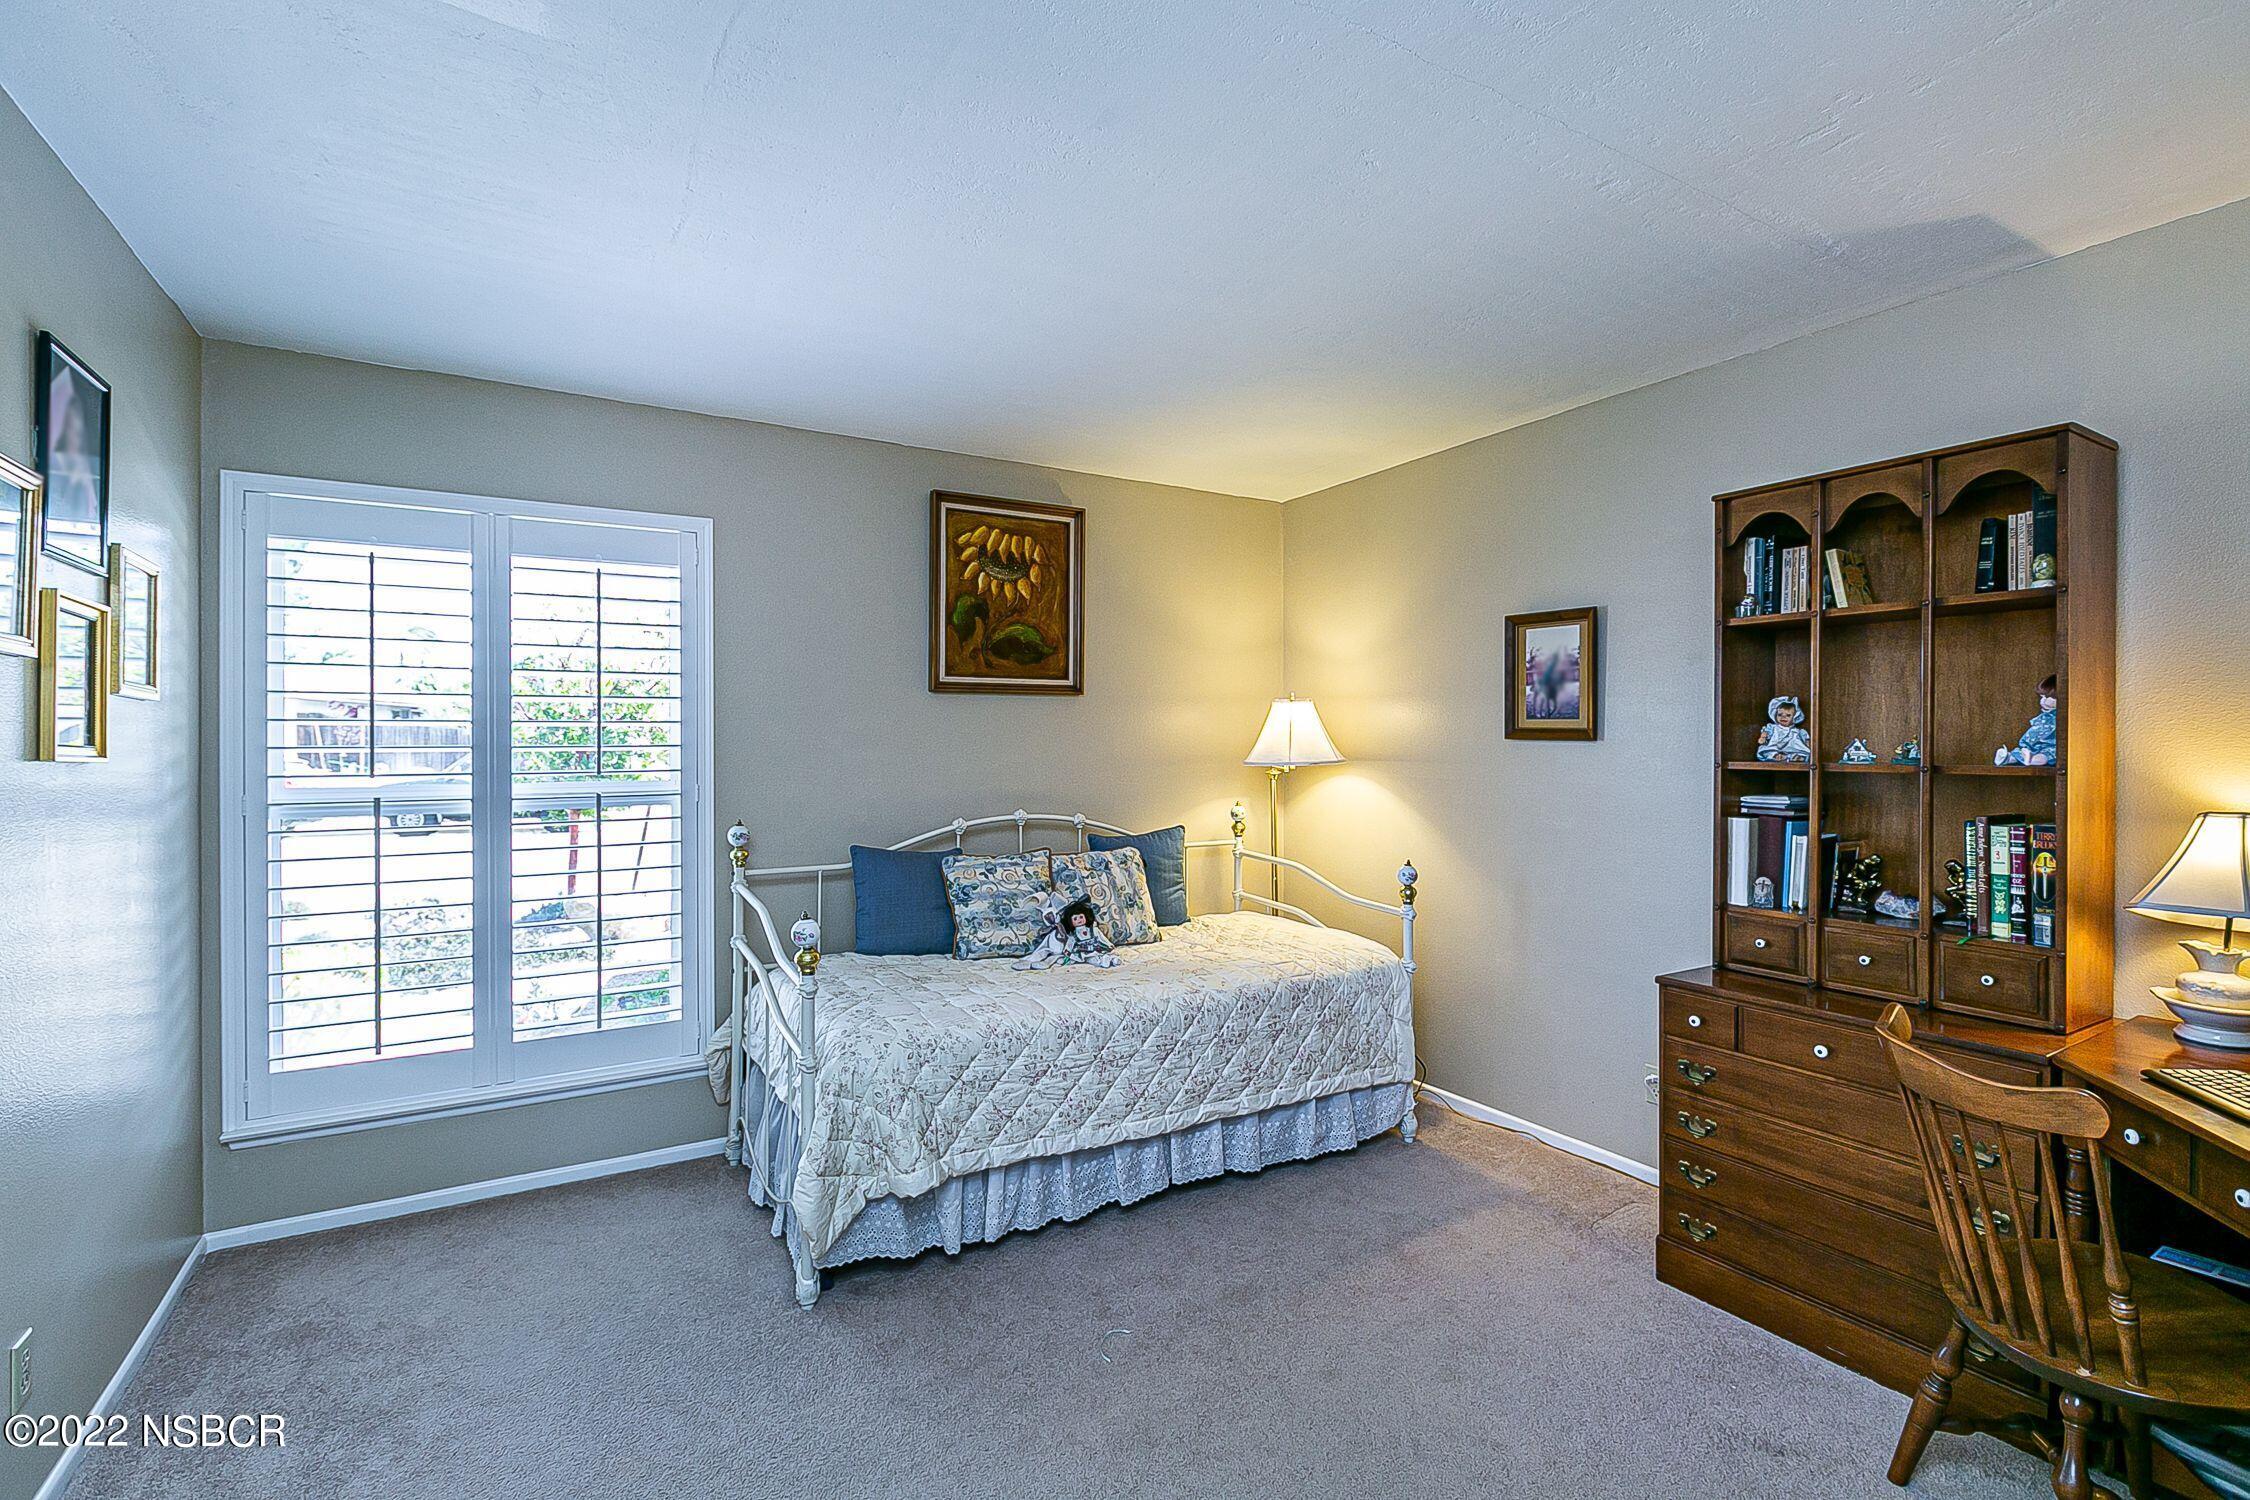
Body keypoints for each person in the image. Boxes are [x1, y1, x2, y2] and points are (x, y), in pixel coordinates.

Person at [1757, 695, 1810, 762]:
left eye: (1788, 715)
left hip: (1792, 747)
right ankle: (1776, 756)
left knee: (1802, 751)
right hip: (1775, 747)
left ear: (1795, 717)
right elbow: (1765, 732)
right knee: (1766, 751)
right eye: (1780, 715)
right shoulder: (1773, 727)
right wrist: (1763, 737)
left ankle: (1794, 757)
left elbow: (1806, 740)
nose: (1783, 717)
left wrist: (1808, 745)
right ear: (1775, 715)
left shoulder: (1797, 731)